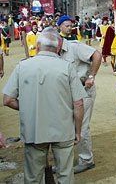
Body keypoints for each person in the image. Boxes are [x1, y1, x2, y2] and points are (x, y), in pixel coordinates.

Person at [2, 28, 87, 183]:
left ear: (38, 47)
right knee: (65, 174)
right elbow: (79, 103)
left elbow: (7, 99)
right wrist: (78, 130)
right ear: (59, 48)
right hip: (63, 129)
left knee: (33, 176)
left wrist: (29, 107)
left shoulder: (22, 66)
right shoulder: (67, 67)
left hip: (34, 129)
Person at [56, 25, 102, 174]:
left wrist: (91, 76)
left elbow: (97, 55)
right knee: (64, 126)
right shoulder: (52, 52)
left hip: (84, 90)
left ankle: (86, 160)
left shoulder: (74, 47)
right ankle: (64, 161)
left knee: (81, 126)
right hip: (66, 93)